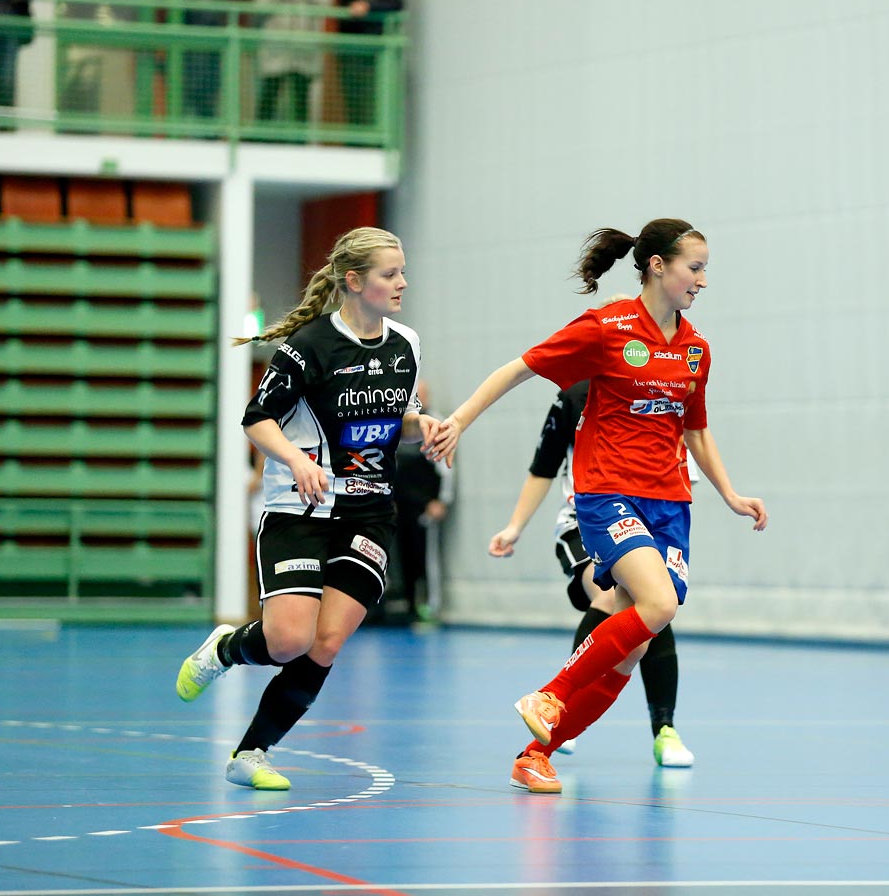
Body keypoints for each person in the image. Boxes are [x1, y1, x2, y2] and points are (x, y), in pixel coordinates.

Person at [426, 218, 767, 794]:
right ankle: (551, 695)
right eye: (695, 267)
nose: (703, 280)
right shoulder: (606, 327)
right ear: (657, 265)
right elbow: (519, 368)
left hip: (671, 503)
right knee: (658, 605)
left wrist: (731, 494)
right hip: (608, 492)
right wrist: (458, 418)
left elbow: (697, 431)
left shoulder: (695, 349)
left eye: (706, 268)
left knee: (629, 650)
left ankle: (535, 755)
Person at [174, 226, 435, 790]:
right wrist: (297, 460)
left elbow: (401, 421)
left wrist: (426, 429)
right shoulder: (309, 346)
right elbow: (257, 418)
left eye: (402, 272)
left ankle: (251, 754)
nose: (402, 284)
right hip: (300, 508)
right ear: (355, 281)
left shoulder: (405, 344)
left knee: (326, 642)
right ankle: (224, 649)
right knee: (288, 639)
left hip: (369, 514)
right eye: (391, 274)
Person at [488, 376, 695, 768]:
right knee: (627, 598)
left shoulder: (667, 392)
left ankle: (657, 730)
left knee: (642, 630)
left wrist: (730, 496)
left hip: (654, 520)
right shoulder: (575, 396)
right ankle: (555, 699)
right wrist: (515, 527)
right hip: (585, 521)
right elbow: (543, 466)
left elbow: (688, 461)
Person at [253, 0, 333, 126]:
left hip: (303, 48)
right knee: (270, 94)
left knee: (300, 98)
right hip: (276, 46)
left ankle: (299, 141)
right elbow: (260, 4)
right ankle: (261, 138)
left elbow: (327, 2)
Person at [390, 380, 451, 625]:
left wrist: (441, 500)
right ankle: (407, 604)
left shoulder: (436, 421)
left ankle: (430, 605)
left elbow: (447, 467)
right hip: (400, 502)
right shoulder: (398, 424)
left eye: (420, 394)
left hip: (425, 504)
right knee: (403, 555)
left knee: (426, 557)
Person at [334, 0, 404, 128]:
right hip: (350, 39)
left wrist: (369, 5)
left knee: (374, 92)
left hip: (376, 42)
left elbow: (397, 2)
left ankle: (375, 134)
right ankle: (356, 135)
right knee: (352, 93)